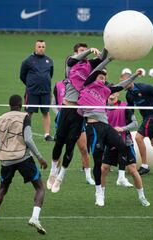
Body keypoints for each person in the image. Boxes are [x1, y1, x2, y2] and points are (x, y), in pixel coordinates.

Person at [49, 43, 108, 193]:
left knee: (70, 146)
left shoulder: (88, 66)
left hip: (78, 113)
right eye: (81, 51)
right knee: (59, 143)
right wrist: (88, 51)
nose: (84, 54)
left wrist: (109, 48)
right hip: (66, 109)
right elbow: (76, 58)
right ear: (76, 53)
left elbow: (102, 59)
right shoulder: (71, 63)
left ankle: (61, 176)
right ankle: (52, 172)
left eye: (85, 50)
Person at [0, 95, 48, 234]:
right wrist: (40, 158)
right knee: (40, 187)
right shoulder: (25, 116)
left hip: (6, 160)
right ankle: (35, 218)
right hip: (23, 158)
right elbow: (28, 140)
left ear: (9, 105)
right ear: (22, 104)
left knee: (2, 189)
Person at [78, 69, 141, 206]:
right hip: (93, 128)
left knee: (123, 146)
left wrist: (135, 75)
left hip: (106, 127)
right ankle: (99, 193)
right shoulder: (87, 86)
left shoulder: (106, 91)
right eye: (100, 77)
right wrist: (107, 59)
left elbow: (122, 85)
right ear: (94, 78)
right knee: (98, 162)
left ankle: (121, 176)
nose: (102, 79)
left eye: (104, 78)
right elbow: (93, 72)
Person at [101, 91, 150, 207]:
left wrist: (122, 129)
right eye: (109, 92)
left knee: (133, 171)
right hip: (111, 144)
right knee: (103, 169)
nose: (111, 95)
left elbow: (135, 123)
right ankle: (101, 196)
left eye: (114, 92)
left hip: (125, 143)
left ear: (117, 94)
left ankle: (142, 196)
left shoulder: (125, 107)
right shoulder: (102, 107)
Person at [51, 78, 95, 185]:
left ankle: (88, 176)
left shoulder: (83, 83)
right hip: (63, 119)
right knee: (59, 146)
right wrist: (59, 115)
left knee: (84, 149)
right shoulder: (59, 85)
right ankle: (54, 173)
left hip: (78, 120)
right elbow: (53, 103)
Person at [20, 39, 54, 141]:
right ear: (35, 47)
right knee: (29, 113)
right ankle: (25, 134)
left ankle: (47, 135)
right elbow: (22, 75)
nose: (41, 49)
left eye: (43, 47)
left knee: (46, 112)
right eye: (39, 47)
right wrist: (30, 84)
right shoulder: (28, 61)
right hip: (32, 91)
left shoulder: (49, 60)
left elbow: (50, 75)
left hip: (45, 91)